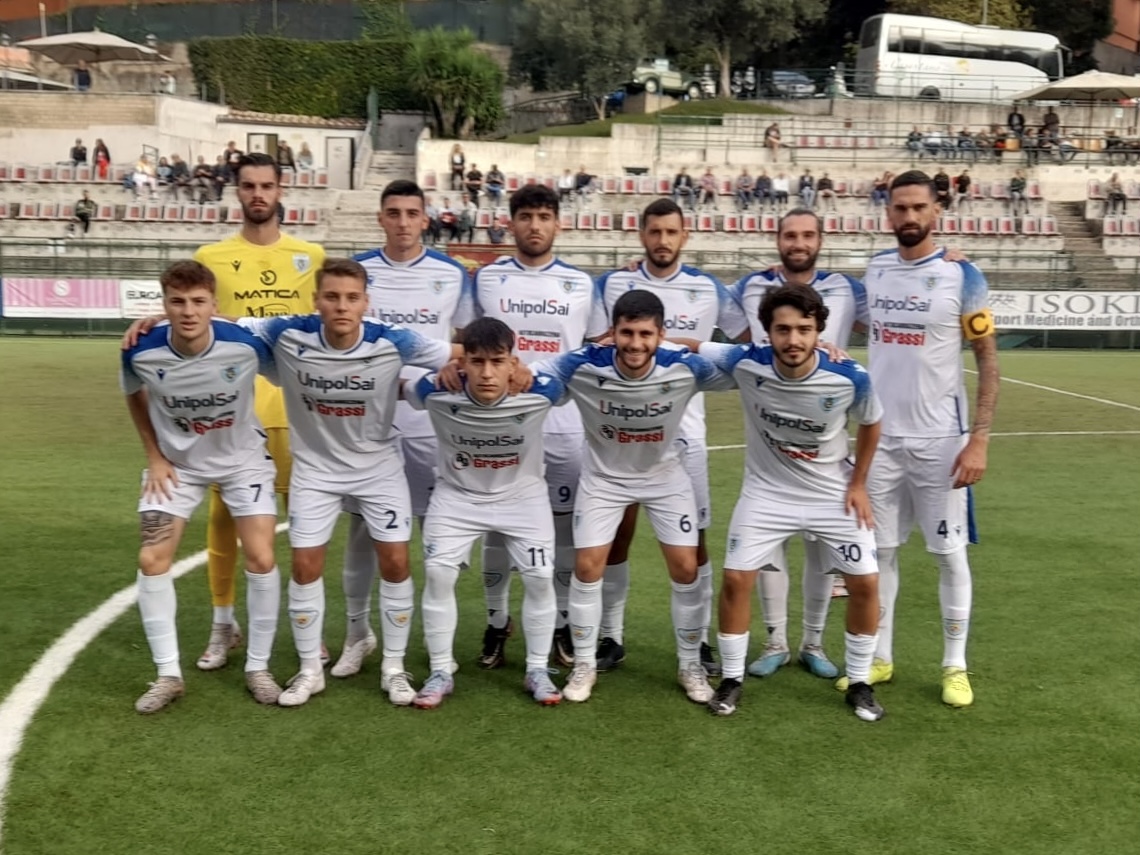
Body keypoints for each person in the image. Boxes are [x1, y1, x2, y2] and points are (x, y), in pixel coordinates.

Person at [237, 258, 460, 707]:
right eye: (333, 297)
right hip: (315, 471)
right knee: (305, 567)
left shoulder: (393, 339)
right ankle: (309, 671)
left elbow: (456, 351)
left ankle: (394, 668)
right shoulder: (287, 332)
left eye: (352, 298)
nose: (342, 306)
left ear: (365, 303)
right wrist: (159, 320)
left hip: (378, 468)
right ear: (316, 300)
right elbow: (219, 327)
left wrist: (506, 365)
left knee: (396, 563)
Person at [692, 285, 885, 721]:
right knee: (736, 579)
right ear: (768, 332)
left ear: (819, 331)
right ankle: (732, 679)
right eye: (783, 329)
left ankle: (860, 683)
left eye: (804, 329)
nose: (793, 339)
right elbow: (691, 345)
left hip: (831, 494)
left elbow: (872, 423)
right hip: (767, 494)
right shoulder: (746, 361)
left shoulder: (849, 376)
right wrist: (621, 339)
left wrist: (858, 484)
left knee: (866, 584)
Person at [534, 289, 735, 704]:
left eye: (646, 334)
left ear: (661, 334)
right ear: (613, 331)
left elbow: (746, 364)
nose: (635, 344)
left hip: (665, 477)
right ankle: (585, 664)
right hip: (604, 480)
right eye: (627, 333)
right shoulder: (583, 364)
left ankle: (690, 665)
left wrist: (820, 352)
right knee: (587, 566)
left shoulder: (684, 365)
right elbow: (527, 373)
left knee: (686, 567)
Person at [852, 169, 1000, 709]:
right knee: (882, 552)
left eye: (919, 207)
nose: (909, 216)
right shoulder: (875, 270)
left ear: (937, 210)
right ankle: (880, 656)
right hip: (882, 440)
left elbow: (988, 362)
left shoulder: (964, 276)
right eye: (900, 208)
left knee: (948, 554)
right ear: (887, 213)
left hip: (941, 441)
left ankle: (954, 665)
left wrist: (979, 439)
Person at [594, 199, 749, 676]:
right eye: (654, 231)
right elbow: (592, 344)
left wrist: (692, 346)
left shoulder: (708, 288)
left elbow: (747, 342)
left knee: (693, 545)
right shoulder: (612, 284)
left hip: (686, 437)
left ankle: (698, 640)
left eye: (671, 232)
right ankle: (610, 635)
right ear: (641, 234)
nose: (662, 240)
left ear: (685, 235)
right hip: (622, 432)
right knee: (617, 535)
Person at [121, 260, 282, 713]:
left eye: (198, 302)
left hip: (243, 461)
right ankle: (167, 675)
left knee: (261, 556)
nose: (188, 311)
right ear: (164, 304)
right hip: (177, 465)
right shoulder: (139, 349)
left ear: (214, 303)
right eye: (177, 302)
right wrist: (154, 456)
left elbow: (287, 359)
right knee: (152, 558)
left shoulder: (245, 344)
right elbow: (133, 394)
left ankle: (258, 668)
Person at [188, 153, 326, 671]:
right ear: (237, 191)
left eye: (266, 185)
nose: (258, 194)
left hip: (296, 411)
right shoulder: (211, 256)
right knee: (223, 517)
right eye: (248, 186)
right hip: (232, 413)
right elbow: (194, 322)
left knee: (306, 524)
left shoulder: (310, 255)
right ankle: (223, 623)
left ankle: (308, 628)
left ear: (281, 189)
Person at [334, 180, 473, 681]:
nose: (402, 222)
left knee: (440, 539)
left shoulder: (452, 274)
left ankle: (438, 644)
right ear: (380, 218)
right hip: (367, 426)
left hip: (431, 425)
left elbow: (465, 346)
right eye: (393, 213)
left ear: (425, 219)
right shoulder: (357, 271)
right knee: (362, 535)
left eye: (412, 213)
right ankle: (357, 634)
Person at [469, 183, 608, 671]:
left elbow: (596, 349)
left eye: (544, 216)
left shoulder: (581, 283)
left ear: (558, 224)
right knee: (495, 527)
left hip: (564, 425)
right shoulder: (487, 279)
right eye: (525, 216)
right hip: (499, 424)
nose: (534, 225)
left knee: (566, 529)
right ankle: (497, 620)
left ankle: (563, 622)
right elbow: (467, 343)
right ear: (511, 223)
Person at [727, 209, 870, 677]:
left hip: (825, 433)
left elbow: (897, 305)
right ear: (777, 239)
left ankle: (814, 643)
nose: (799, 243)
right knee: (768, 549)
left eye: (808, 235)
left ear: (821, 240)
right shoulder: (750, 285)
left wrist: (950, 258)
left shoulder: (847, 287)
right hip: (771, 436)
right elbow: (712, 310)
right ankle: (775, 641)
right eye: (790, 235)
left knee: (821, 549)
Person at [406, 318, 564, 708]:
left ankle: (537, 670)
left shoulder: (541, 391)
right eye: (477, 361)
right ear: (462, 363)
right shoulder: (436, 390)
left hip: (522, 497)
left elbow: (560, 385)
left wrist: (529, 373)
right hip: (458, 496)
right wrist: (440, 370)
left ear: (513, 362)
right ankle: (440, 671)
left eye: (498, 361)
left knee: (540, 577)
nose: (488, 373)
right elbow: (409, 390)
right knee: (439, 574)